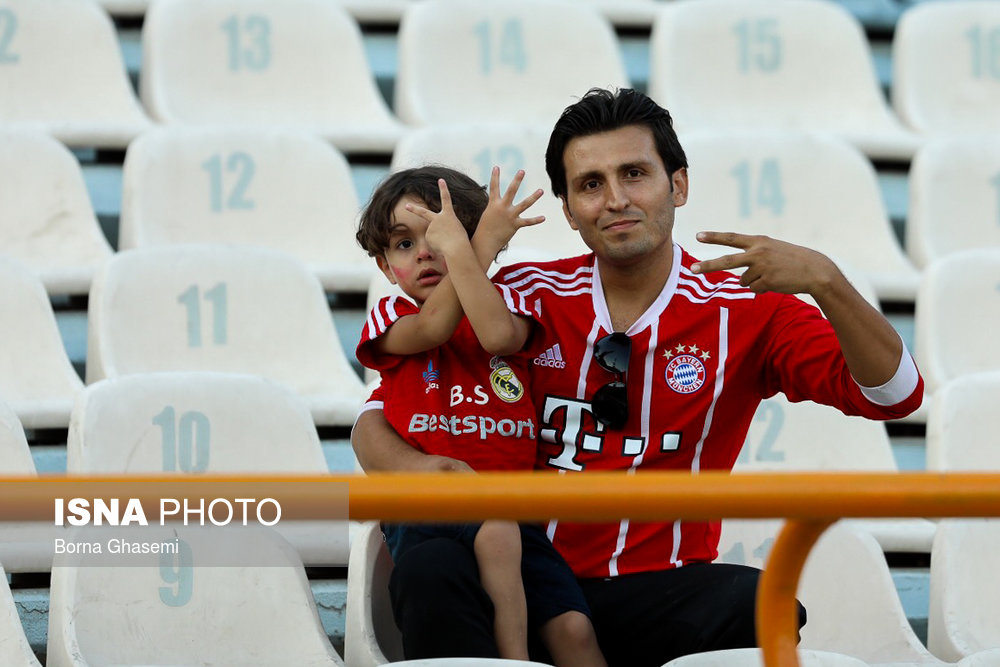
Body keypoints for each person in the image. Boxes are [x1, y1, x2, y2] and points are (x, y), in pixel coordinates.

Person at [352, 88, 924, 666]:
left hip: (655, 591)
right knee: (430, 569)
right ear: (569, 209)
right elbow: (383, 411)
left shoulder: (747, 308)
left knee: (755, 603)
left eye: (635, 174)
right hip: (517, 579)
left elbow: (896, 394)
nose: (616, 200)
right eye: (591, 184)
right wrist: (427, 470)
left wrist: (827, 282)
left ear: (677, 184)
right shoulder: (516, 294)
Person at [354, 165, 607, 666]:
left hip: (517, 520)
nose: (425, 252)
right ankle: (513, 662)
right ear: (385, 268)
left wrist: (473, 254)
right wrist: (480, 243)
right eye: (404, 245)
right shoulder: (392, 317)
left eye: (440, 237)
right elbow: (434, 327)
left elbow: (496, 337)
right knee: (486, 533)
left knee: (574, 629)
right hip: (428, 513)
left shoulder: (510, 304)